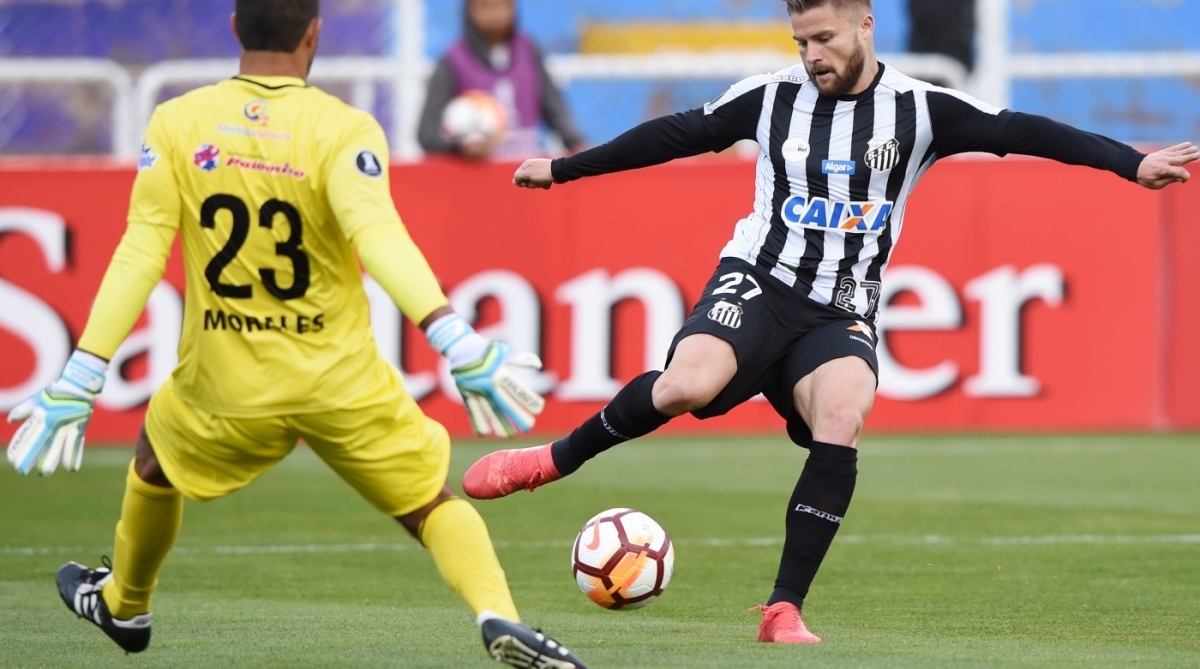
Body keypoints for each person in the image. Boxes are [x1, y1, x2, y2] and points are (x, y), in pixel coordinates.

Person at [462, 0, 1198, 645]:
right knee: (685, 385)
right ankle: (551, 459)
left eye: (823, 38)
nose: (811, 54)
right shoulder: (770, 98)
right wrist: (565, 168)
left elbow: (1020, 130)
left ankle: (783, 608)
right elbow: (676, 134)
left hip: (840, 308)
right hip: (759, 282)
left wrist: (1127, 163)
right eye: (800, 41)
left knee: (843, 412)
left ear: (864, 24)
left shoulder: (920, 110)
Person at [4, 2, 586, 667]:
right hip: (339, 381)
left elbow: (141, 252)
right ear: (313, 33)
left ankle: (125, 603)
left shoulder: (177, 121)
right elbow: (379, 237)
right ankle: (497, 614)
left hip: (226, 384)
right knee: (430, 504)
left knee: (154, 460)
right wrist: (456, 339)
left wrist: (82, 372)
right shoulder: (343, 128)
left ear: (234, 28)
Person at [417, 0, 584, 161]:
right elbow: (426, 134)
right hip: (477, 174)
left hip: (526, 169)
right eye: (485, 7)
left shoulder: (529, 50)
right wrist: (460, 147)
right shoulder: (453, 61)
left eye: (503, 5)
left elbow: (553, 106)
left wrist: (574, 141)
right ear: (469, 10)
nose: (496, 15)